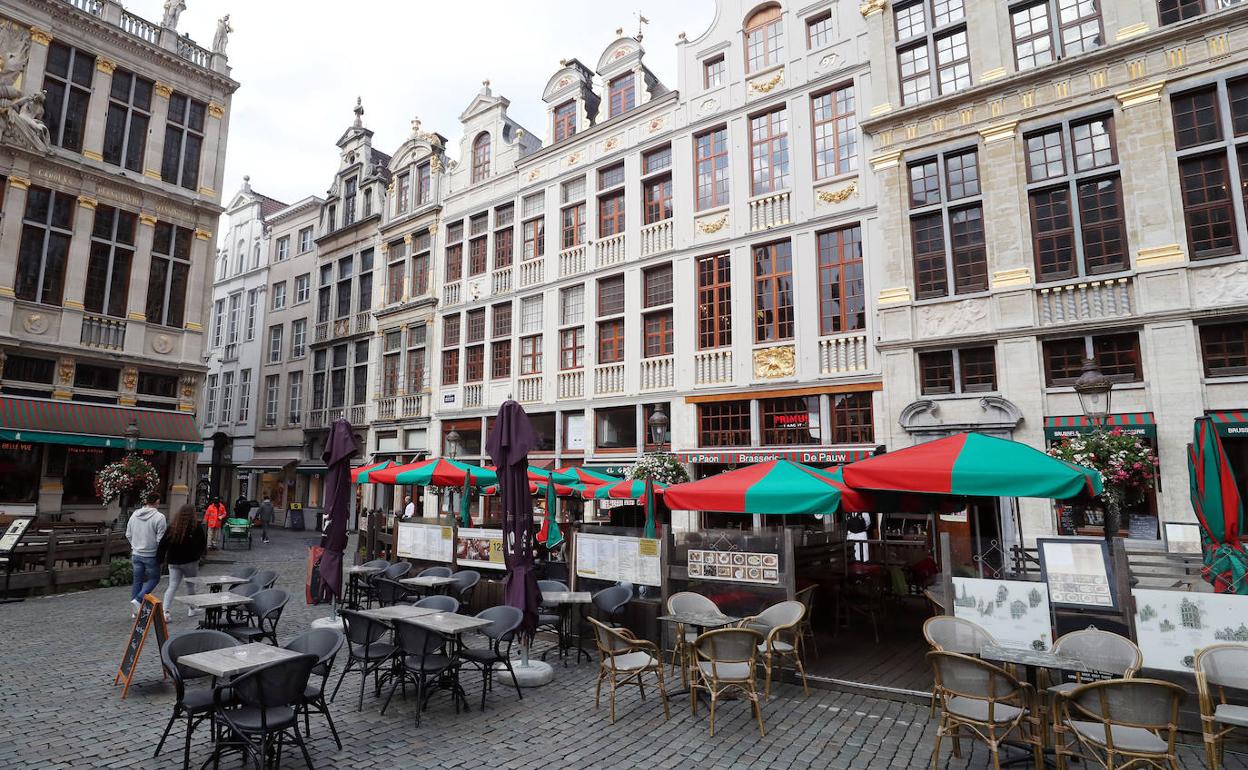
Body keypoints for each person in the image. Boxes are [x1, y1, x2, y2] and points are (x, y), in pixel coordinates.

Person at [157, 504, 207, 621]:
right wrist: (198, 556)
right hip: (190, 561)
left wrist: (160, 560)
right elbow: (202, 544)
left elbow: (163, 544)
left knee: (172, 586)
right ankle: (192, 609)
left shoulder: (173, 527)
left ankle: (165, 611)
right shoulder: (196, 527)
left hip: (173, 561)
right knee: (190, 585)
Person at [125, 493, 167, 618]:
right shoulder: (159, 517)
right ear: (157, 502)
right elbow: (160, 539)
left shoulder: (134, 515)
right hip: (151, 554)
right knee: (154, 579)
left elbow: (128, 534)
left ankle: (135, 611)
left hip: (136, 553)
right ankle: (138, 599)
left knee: (137, 580)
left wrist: (135, 545)